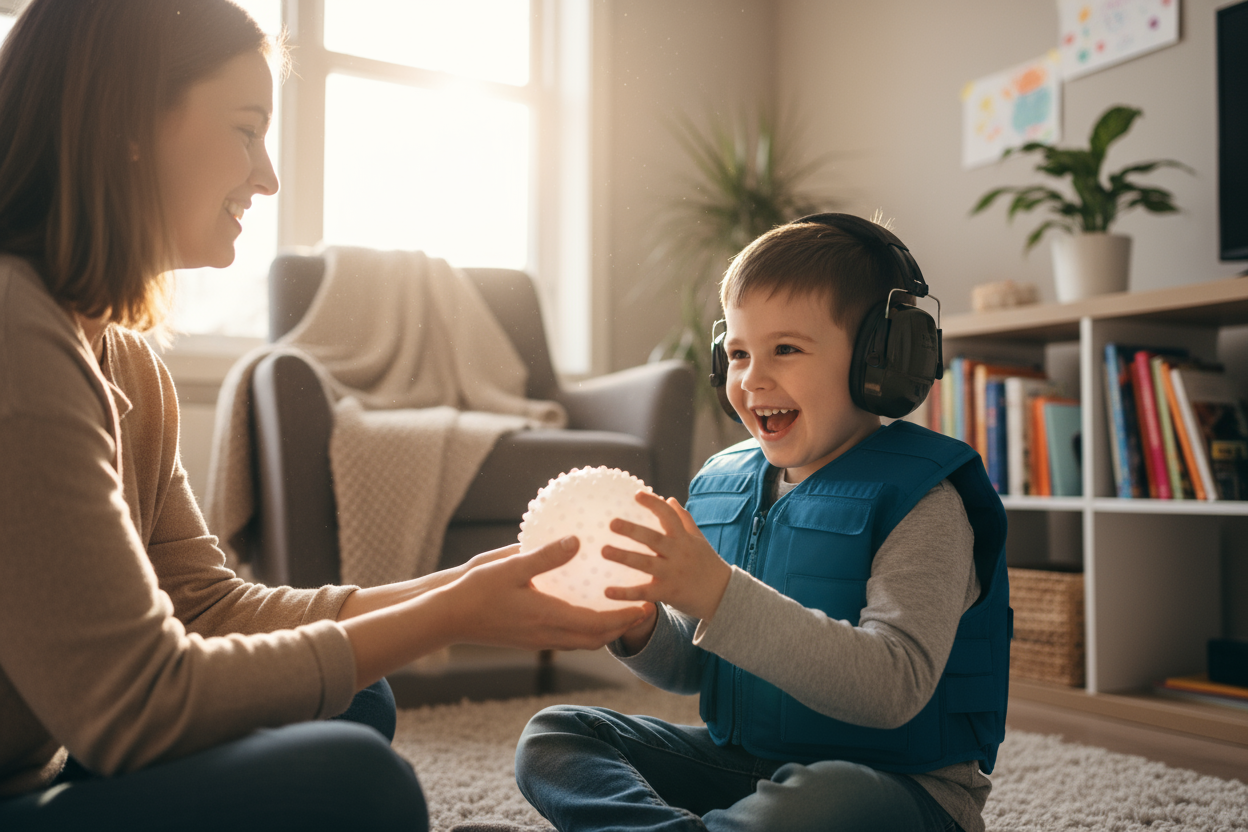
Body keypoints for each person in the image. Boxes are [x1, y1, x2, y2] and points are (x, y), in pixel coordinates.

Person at [0, 2, 646, 830]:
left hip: (46, 760)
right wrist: (447, 618)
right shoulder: (17, 337)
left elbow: (208, 610)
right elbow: (140, 709)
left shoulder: (127, 365)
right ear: (125, 124)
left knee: (352, 700)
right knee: (358, 786)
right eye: (244, 130)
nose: (267, 176)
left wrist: (463, 588)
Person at [511, 215, 1010, 832]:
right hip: (751, 767)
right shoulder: (724, 485)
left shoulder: (923, 502)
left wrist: (718, 594)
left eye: (787, 349)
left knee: (827, 795)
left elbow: (894, 686)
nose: (752, 378)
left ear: (879, 360)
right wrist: (642, 625)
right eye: (739, 353)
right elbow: (694, 670)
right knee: (556, 736)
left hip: (898, 791)